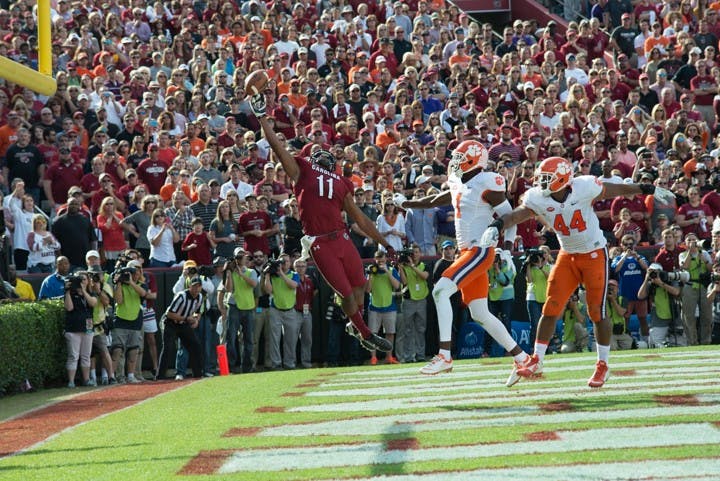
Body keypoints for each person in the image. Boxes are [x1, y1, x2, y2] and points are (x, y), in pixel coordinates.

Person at [482, 156, 675, 387]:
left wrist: (647, 188)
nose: (541, 183)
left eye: (547, 178)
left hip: (594, 254)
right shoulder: (538, 197)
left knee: (596, 310)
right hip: (567, 254)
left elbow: (615, 189)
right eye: (541, 178)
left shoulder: (583, 187)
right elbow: (517, 214)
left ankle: (603, 365)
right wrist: (497, 225)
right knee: (551, 306)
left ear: (562, 179)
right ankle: (537, 359)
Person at [251, 93, 394, 353]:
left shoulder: (340, 182)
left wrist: (387, 243)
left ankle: (355, 323)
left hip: (341, 237)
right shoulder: (302, 170)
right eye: (320, 152)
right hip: (320, 242)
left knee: (361, 285)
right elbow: (278, 149)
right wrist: (262, 118)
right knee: (347, 294)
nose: (325, 154)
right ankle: (364, 332)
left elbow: (361, 218)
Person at [401, 140, 531, 385]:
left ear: (474, 161)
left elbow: (510, 216)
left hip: (480, 250)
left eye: (460, 158)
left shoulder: (487, 182)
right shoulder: (458, 182)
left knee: (440, 291)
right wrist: (407, 204)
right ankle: (523, 358)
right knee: (480, 313)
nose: (455, 163)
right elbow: (436, 200)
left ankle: (445, 355)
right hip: (465, 252)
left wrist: (507, 249)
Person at [157, 276, 205, 380]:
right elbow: (169, 313)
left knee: (195, 345)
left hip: (183, 323)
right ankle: (160, 376)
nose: (196, 289)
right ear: (189, 286)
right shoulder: (181, 296)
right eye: (194, 286)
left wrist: (196, 320)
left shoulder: (200, 297)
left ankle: (198, 374)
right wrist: (186, 318)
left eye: (199, 286)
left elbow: (198, 311)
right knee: (168, 348)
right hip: (170, 322)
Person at [110, 259, 146, 383]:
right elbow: (118, 301)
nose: (137, 271)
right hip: (120, 320)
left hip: (135, 320)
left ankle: (131, 375)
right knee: (117, 350)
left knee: (133, 350)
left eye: (139, 269)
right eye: (134, 269)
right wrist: (119, 283)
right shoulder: (121, 284)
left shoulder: (141, 284)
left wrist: (131, 282)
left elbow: (143, 294)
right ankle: (114, 376)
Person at [262, 252, 299, 370]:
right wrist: (267, 275)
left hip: (290, 310)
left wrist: (281, 273)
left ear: (290, 263)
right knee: (274, 339)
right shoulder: (273, 276)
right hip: (275, 309)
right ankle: (276, 363)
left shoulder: (294, 274)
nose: (284, 264)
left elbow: (293, 285)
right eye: (282, 262)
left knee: (291, 339)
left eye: (286, 261)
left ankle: (289, 363)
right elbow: (268, 291)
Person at [223, 247, 258, 373]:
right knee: (231, 338)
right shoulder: (231, 272)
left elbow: (254, 284)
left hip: (248, 307)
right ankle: (232, 366)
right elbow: (229, 289)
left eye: (241, 256)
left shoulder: (251, 271)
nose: (240, 259)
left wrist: (241, 274)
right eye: (237, 257)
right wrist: (228, 273)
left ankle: (247, 367)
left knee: (248, 339)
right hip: (234, 306)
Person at [396, 243, 430, 363]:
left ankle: (420, 355)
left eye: (416, 252)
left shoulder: (424, 265)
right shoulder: (405, 267)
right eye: (412, 253)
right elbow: (404, 282)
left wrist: (412, 266)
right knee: (408, 330)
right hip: (409, 301)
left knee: (420, 329)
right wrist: (401, 267)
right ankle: (408, 356)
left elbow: (424, 276)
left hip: (421, 300)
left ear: (420, 254)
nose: (414, 255)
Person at [63, 272, 97, 388]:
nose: (82, 282)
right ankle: (71, 381)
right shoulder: (70, 294)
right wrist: (67, 291)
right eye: (79, 280)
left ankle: (86, 379)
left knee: (86, 355)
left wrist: (84, 291)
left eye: (84, 280)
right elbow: (69, 307)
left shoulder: (91, 293)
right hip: (73, 329)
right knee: (73, 355)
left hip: (87, 328)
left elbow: (93, 303)